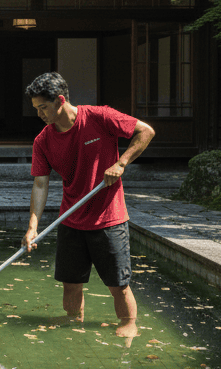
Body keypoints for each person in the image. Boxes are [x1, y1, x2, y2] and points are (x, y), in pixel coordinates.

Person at [21, 72, 154, 338]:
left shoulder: (99, 117)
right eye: (36, 109)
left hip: (109, 218)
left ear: (60, 100)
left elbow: (146, 131)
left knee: (118, 284)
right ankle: (73, 321)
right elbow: (40, 184)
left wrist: (121, 163)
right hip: (71, 219)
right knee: (70, 284)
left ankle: (128, 325)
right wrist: (32, 227)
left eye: (43, 108)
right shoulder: (43, 141)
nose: (40, 114)